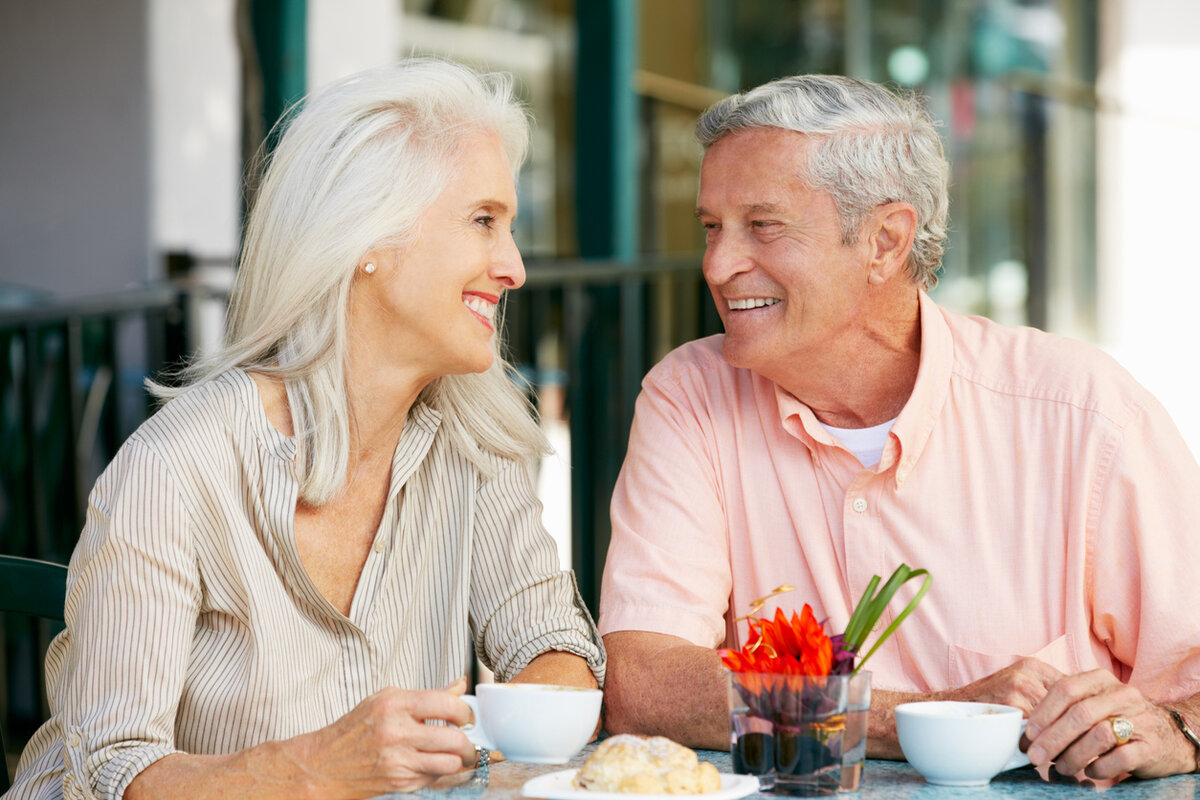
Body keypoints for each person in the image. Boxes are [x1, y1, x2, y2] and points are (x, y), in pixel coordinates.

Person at [7, 59, 604, 800]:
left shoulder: (472, 441)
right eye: (484, 220)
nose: (513, 266)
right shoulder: (179, 464)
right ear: (367, 240)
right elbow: (113, 772)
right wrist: (320, 768)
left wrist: (518, 717)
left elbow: (552, 642)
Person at [599, 74, 1200, 781]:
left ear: (886, 240)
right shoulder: (689, 398)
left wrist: (1177, 735)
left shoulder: (1086, 418)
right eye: (711, 227)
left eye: (762, 226)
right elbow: (645, 685)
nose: (718, 264)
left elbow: (1186, 698)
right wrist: (928, 716)